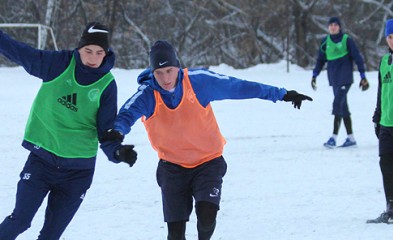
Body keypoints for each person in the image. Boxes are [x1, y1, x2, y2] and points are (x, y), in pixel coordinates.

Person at [102, 40, 312, 240]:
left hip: (208, 161)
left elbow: (240, 87)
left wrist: (282, 94)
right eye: (159, 73)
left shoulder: (199, 82)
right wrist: (118, 132)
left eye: (169, 71)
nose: (165, 78)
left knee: (206, 214)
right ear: (153, 72)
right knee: (175, 234)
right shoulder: (148, 94)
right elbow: (127, 114)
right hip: (172, 167)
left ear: (178, 67)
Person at [0, 22, 137, 240]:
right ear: (79, 48)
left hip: (77, 172)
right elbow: (19, 52)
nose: (93, 57)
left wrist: (118, 152)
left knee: (51, 235)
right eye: (88, 51)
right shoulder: (58, 64)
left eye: (99, 53)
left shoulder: (107, 85)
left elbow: (106, 131)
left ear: (106, 53)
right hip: (42, 160)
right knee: (20, 221)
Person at [311, 16, 369, 148]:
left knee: (337, 104)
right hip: (334, 79)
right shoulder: (325, 41)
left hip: (345, 78)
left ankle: (333, 137)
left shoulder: (346, 40)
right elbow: (320, 60)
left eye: (335, 25)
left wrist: (363, 75)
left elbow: (357, 58)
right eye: (331, 25)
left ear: (339, 27)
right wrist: (314, 75)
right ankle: (351, 138)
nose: (333, 27)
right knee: (344, 108)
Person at [367, 19, 393, 224]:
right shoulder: (385, 62)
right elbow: (381, 92)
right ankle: (390, 208)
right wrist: (377, 117)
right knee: (385, 164)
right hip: (386, 124)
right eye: (390, 37)